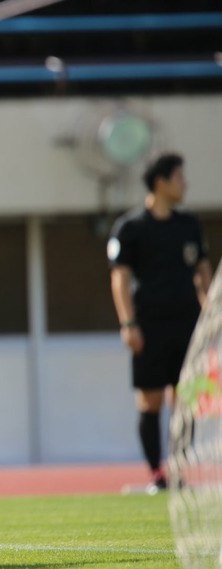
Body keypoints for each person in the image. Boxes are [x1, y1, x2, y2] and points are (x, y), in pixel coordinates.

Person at [108, 151, 212, 492]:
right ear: (160, 182)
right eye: (179, 177)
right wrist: (128, 324)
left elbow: (202, 272)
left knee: (185, 398)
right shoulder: (131, 228)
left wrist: (210, 318)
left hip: (188, 325)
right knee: (149, 401)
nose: (185, 184)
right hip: (149, 326)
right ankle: (157, 475)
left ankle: (180, 471)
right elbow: (120, 278)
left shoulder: (189, 225)